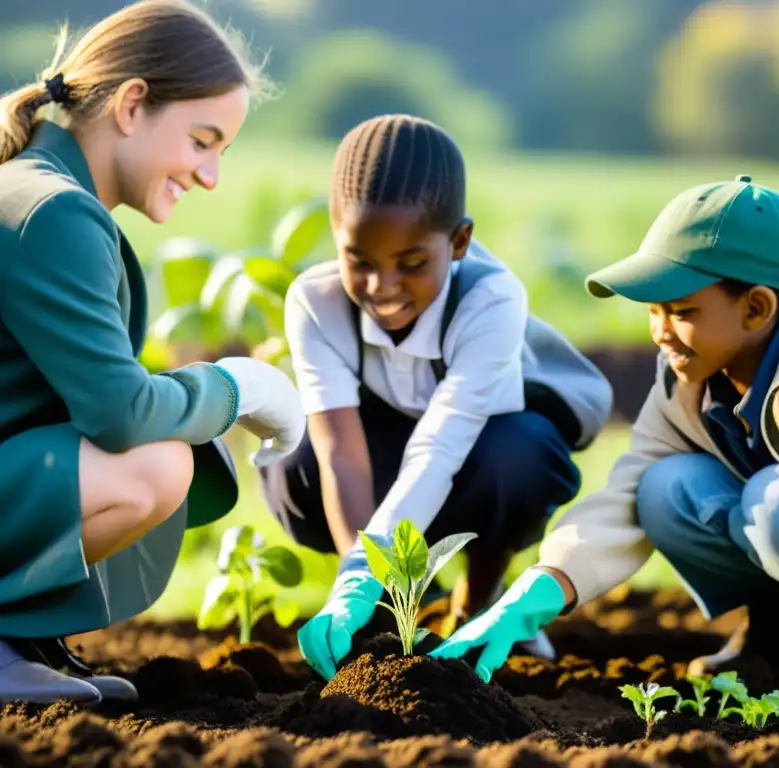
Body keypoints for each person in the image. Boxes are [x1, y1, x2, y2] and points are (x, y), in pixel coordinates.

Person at [430, 174, 779, 730]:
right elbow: (625, 499)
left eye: (681, 312)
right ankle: (777, 630)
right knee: (665, 490)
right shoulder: (690, 380)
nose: (660, 331)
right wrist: (529, 598)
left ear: (755, 309)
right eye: (652, 312)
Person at [0, 0, 305, 705]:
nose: (209, 176)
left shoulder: (38, 190)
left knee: (171, 450)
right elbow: (118, 413)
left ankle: (20, 641)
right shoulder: (55, 212)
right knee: (156, 461)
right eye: (202, 141)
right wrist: (239, 387)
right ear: (133, 105)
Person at [258, 114, 614, 682]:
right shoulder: (315, 303)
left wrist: (371, 565)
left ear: (459, 242)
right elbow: (339, 453)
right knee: (295, 458)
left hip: (474, 447)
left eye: (412, 264)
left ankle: (479, 598)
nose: (383, 287)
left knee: (521, 456)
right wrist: (362, 583)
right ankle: (387, 611)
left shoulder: (490, 301)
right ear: (336, 237)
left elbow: (440, 447)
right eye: (360, 261)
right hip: (378, 453)